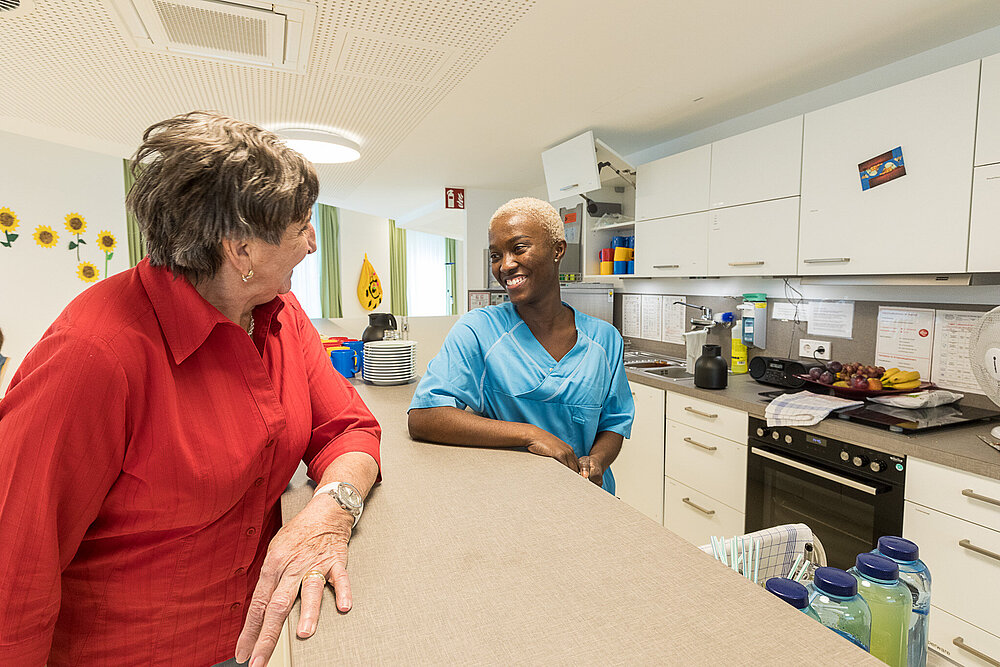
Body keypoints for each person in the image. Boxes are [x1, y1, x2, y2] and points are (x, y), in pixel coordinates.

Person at [0, 111, 381, 667]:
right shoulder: (95, 355)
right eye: (301, 227)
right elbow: (15, 570)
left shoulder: (280, 312)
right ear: (241, 250)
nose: (313, 244)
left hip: (249, 641)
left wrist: (332, 507)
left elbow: (349, 429)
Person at [407, 197, 634, 492]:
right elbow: (425, 417)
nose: (505, 265)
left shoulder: (605, 340)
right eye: (495, 255)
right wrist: (529, 434)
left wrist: (597, 461)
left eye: (518, 248)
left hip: (587, 496)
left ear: (557, 249)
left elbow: (613, 424)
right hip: (508, 496)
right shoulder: (479, 330)